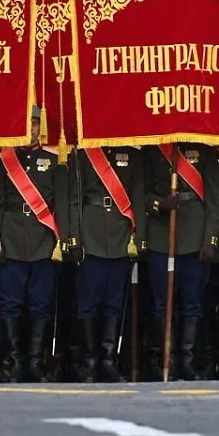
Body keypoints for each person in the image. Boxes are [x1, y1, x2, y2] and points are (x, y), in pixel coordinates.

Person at [0, 107, 68, 383]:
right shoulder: (3, 161)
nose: (31, 129)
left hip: (43, 238)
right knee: (10, 304)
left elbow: (61, 204)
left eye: (34, 124)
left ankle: (35, 361)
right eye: (26, 124)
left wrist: (63, 239)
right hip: (10, 237)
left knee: (41, 304)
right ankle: (14, 362)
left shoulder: (52, 159)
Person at [143, 142, 219, 381]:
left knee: (192, 303)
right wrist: (159, 204)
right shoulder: (152, 150)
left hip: (195, 236)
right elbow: (141, 192)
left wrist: (210, 239)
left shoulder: (203, 151)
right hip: (161, 235)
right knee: (162, 304)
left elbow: (214, 198)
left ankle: (187, 361)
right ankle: (166, 360)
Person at [68, 143, 145, 383]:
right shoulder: (83, 155)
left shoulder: (133, 156)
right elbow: (74, 200)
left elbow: (138, 199)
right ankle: (89, 362)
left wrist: (139, 239)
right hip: (90, 235)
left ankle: (108, 362)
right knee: (87, 304)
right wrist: (75, 239)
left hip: (120, 235)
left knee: (114, 303)